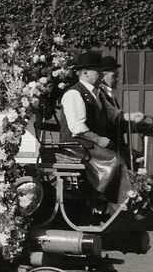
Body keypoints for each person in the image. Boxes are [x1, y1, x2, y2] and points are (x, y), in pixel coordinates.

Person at [59, 52, 148, 204]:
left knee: (123, 156)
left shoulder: (97, 94)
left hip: (89, 144)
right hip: (76, 145)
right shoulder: (74, 93)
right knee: (115, 160)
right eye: (98, 71)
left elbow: (114, 114)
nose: (101, 75)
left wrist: (133, 116)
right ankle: (105, 199)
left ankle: (123, 198)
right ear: (85, 73)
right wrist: (99, 139)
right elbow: (77, 128)